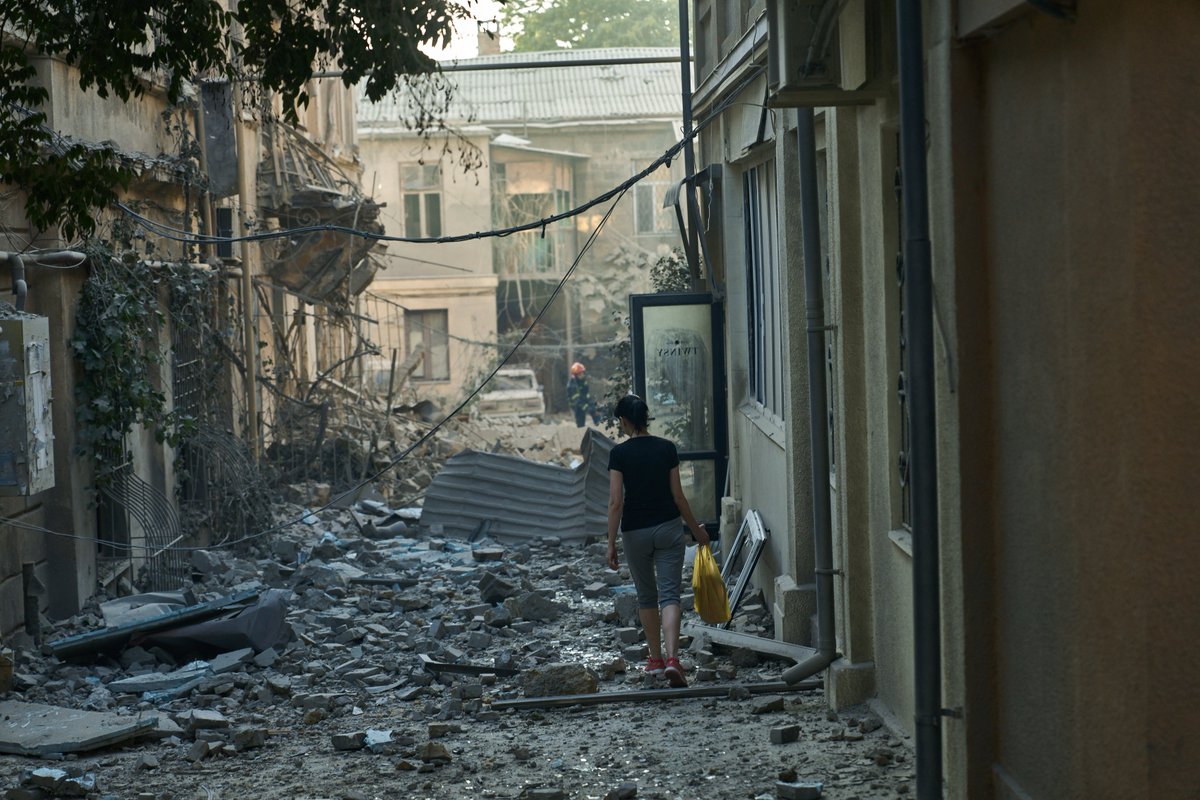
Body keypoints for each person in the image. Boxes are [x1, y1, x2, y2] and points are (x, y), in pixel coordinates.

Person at [606, 393, 710, 687]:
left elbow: (616, 502)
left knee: (647, 597)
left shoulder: (619, 454)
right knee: (670, 595)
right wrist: (697, 531)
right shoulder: (666, 449)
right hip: (668, 528)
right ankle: (674, 659)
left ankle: (655, 660)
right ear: (646, 418)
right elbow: (678, 496)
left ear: (625, 421)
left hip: (635, 532)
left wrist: (611, 543)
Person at [566, 361, 601, 427]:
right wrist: (587, 408)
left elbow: (586, 394)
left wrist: (592, 404)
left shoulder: (583, 381)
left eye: (582, 373)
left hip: (584, 400)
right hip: (577, 405)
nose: (582, 375)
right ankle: (581, 431)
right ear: (576, 375)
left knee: (595, 411)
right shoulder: (572, 385)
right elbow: (577, 400)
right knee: (580, 422)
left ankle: (599, 425)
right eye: (580, 373)